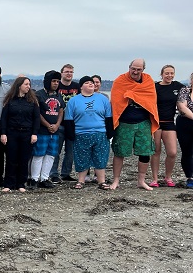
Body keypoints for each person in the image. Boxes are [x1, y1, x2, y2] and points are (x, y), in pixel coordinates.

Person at [109, 59, 159, 190]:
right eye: (133, 68)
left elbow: (151, 100)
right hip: (124, 122)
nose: (135, 72)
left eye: (139, 69)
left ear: (143, 70)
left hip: (143, 122)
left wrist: (132, 96)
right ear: (129, 67)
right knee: (119, 152)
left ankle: (141, 181)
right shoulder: (120, 80)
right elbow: (116, 100)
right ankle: (116, 180)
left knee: (145, 152)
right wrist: (131, 97)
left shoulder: (148, 81)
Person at [64, 76, 113, 190]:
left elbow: (109, 116)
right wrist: (71, 135)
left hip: (100, 133)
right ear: (81, 87)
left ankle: (101, 181)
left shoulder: (102, 99)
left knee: (100, 157)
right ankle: (81, 181)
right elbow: (69, 119)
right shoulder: (74, 101)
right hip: (81, 133)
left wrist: (110, 132)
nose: (91, 84)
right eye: (87, 83)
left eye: (92, 82)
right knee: (81, 157)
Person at [0, 76, 40, 192]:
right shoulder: (10, 100)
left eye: (29, 84)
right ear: (19, 85)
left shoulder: (33, 101)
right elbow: (4, 118)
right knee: (11, 159)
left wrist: (34, 133)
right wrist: (3, 133)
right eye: (26, 84)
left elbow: (36, 118)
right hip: (12, 133)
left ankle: (21, 184)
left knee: (24, 159)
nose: (28, 87)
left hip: (27, 133)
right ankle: (8, 183)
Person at [150, 65, 184, 187]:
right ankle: (154, 179)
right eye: (167, 73)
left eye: (171, 73)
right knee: (156, 151)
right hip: (156, 123)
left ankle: (168, 177)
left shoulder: (178, 86)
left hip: (169, 122)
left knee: (172, 152)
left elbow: (188, 96)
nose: (169, 75)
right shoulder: (155, 87)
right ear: (162, 74)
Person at [30, 70, 64, 188]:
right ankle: (34, 178)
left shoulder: (58, 95)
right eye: (53, 81)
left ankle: (44, 178)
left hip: (55, 131)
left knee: (51, 155)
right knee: (39, 154)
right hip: (42, 130)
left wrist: (57, 125)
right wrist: (47, 125)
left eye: (57, 81)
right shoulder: (39, 95)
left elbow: (60, 111)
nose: (56, 83)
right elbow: (37, 112)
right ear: (48, 82)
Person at [50, 64, 80, 183]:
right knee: (55, 150)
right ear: (61, 73)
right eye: (67, 72)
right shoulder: (57, 86)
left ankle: (66, 173)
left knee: (70, 151)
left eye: (71, 72)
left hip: (73, 124)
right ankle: (53, 173)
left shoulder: (77, 87)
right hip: (59, 123)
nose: (69, 74)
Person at [176, 73, 193, 189]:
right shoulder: (184, 91)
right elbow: (182, 107)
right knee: (187, 152)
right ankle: (190, 178)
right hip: (185, 124)